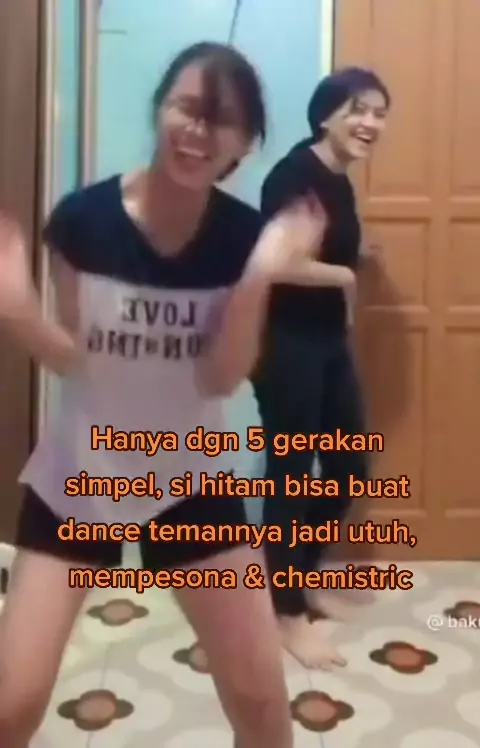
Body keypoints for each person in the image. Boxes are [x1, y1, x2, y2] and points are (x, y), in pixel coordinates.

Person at [0, 42, 332, 748]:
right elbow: (75, 359)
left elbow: (220, 378)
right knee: (11, 704)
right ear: (159, 109)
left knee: (261, 703)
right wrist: (17, 309)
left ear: (245, 143)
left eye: (223, 118)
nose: (198, 130)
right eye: (187, 106)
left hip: (189, 480)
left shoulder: (244, 238)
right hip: (82, 476)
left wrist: (259, 276)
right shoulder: (82, 222)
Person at [252, 67, 391, 670]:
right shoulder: (293, 176)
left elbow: (322, 242)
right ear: (325, 114)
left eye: (380, 114)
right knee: (290, 476)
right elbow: (277, 262)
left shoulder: (336, 179)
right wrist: (344, 276)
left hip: (327, 343)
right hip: (286, 346)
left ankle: (299, 580)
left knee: (346, 467)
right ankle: (284, 613)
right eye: (358, 109)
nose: (371, 123)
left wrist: (354, 252)